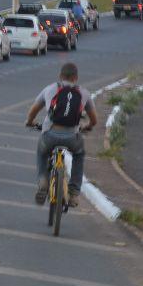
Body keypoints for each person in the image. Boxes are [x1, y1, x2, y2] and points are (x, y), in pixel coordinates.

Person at [24, 63, 98, 206]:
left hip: (50, 135)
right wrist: (87, 126)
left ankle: (43, 182)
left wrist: (30, 122)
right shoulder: (84, 93)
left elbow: (34, 110)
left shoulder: (50, 89)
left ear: (60, 76)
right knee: (79, 154)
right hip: (72, 138)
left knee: (42, 151)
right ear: (76, 78)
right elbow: (94, 120)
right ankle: (74, 193)